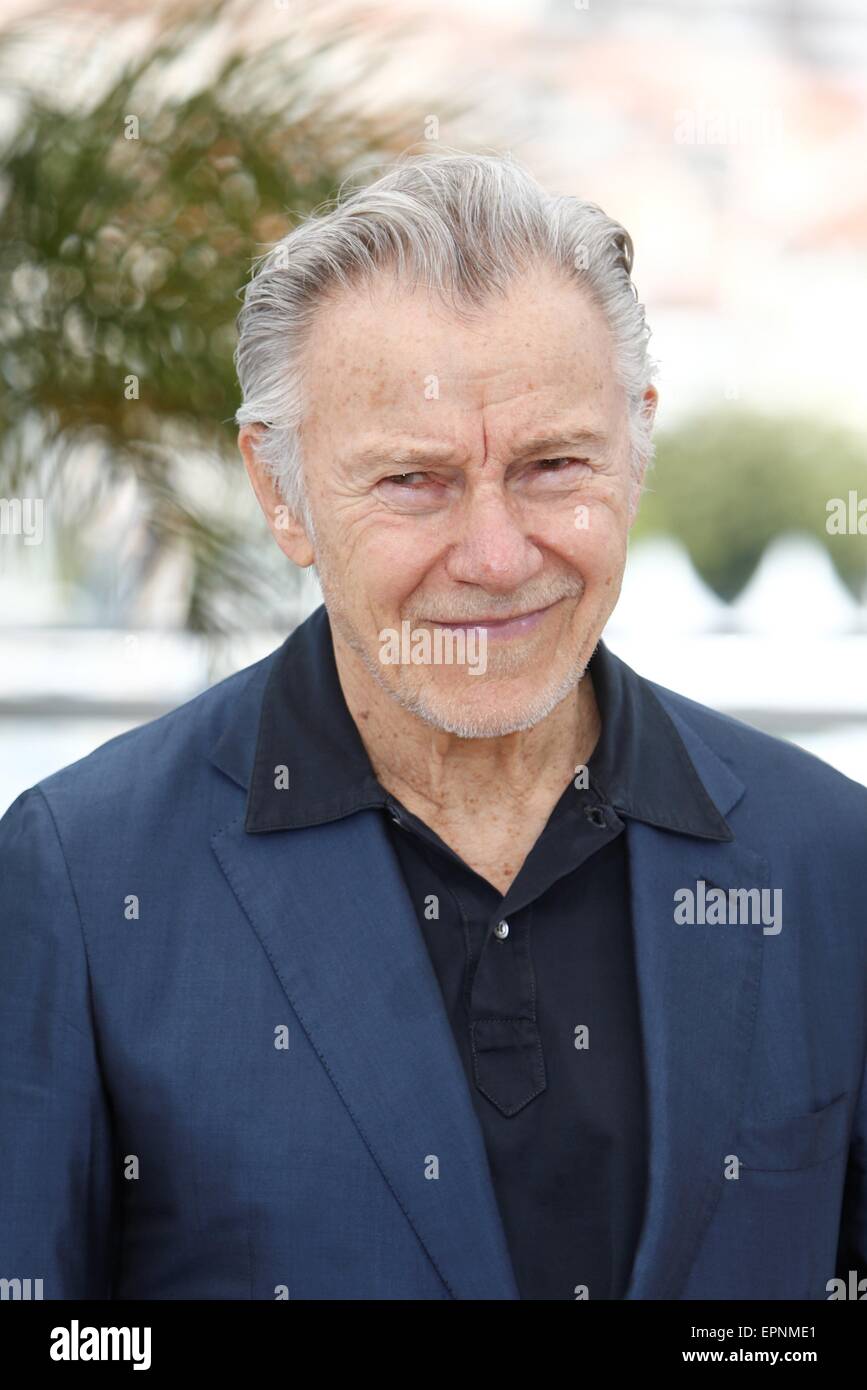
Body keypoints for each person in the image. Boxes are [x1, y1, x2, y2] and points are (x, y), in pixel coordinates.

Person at [1, 152, 864, 1300]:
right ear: (279, 488)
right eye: (414, 481)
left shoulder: (830, 859)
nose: (498, 558)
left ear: (638, 442)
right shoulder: (80, 876)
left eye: (555, 465)